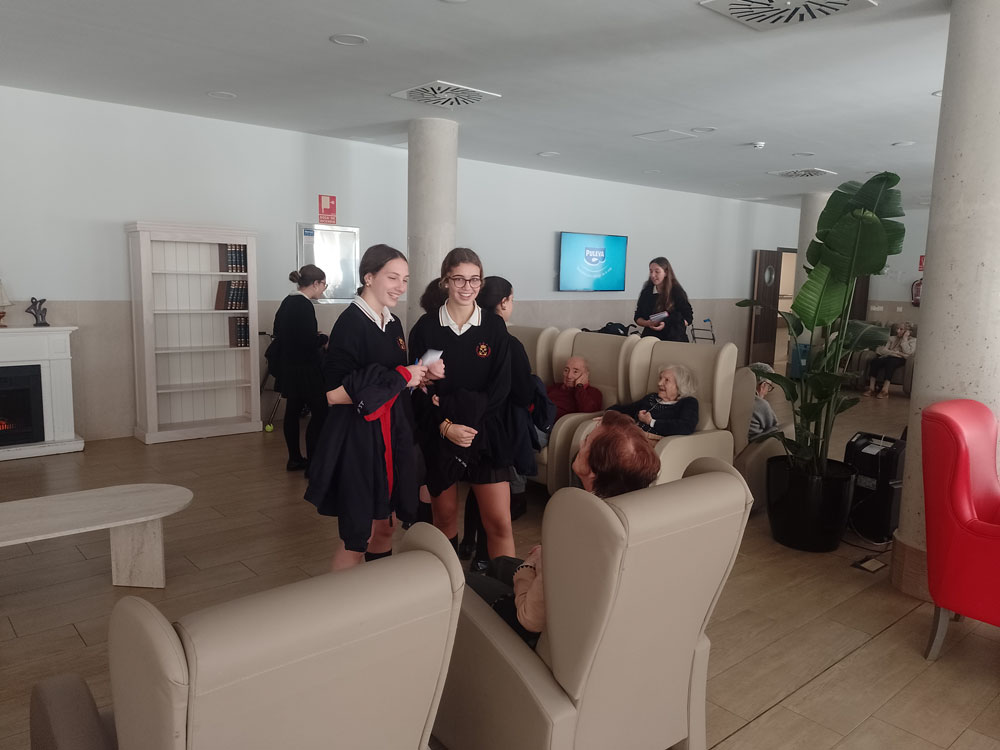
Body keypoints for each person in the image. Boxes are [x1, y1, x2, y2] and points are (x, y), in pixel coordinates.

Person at [465, 410, 660, 644]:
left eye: (586, 441)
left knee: (460, 584)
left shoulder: (574, 530)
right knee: (499, 564)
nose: (580, 444)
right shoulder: (639, 517)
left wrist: (532, 563)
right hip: (587, 612)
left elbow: (530, 618)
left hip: (543, 634)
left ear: (593, 471)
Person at [304, 244, 442, 571]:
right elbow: (334, 394)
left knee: (386, 527)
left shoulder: (392, 323)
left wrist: (418, 377)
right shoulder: (351, 324)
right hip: (359, 439)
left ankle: (377, 593)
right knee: (359, 535)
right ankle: (343, 601)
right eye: (392, 277)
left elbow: (389, 384)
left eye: (405, 279)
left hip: (391, 434)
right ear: (369, 277)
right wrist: (401, 377)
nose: (401, 286)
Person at [408, 248, 516, 561]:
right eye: (459, 279)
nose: (467, 287)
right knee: (444, 520)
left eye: (474, 280)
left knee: (499, 523)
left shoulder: (493, 327)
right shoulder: (426, 328)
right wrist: (446, 427)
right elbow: (418, 390)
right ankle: (452, 584)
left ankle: (502, 586)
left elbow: (501, 388)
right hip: (441, 435)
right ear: (445, 281)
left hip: (485, 432)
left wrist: (466, 424)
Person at [459, 275, 536, 567]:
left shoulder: (467, 336)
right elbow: (523, 393)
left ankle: (468, 543)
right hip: (499, 429)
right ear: (503, 303)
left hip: (468, 425)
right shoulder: (508, 343)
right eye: (511, 299)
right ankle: (485, 560)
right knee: (495, 498)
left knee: (478, 486)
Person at [271, 264, 329, 472]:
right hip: (306, 370)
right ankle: (314, 464)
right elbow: (307, 342)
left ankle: (295, 458)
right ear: (316, 283)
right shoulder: (304, 305)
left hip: (289, 367)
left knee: (292, 413)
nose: (324, 289)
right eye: (324, 285)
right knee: (321, 414)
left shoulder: (287, 302)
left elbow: (279, 332)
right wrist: (323, 338)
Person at [606, 363, 699, 438]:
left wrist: (651, 422)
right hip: (632, 435)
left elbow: (686, 426)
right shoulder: (652, 398)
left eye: (666, 380)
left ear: (680, 385)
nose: (659, 383)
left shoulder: (688, 402)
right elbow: (628, 409)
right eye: (660, 378)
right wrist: (609, 413)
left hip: (653, 442)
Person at [633, 256, 693, 342]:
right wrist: (648, 323)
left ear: (666, 273)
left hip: (673, 339)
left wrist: (667, 324)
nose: (652, 275)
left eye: (657, 271)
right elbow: (638, 317)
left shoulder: (677, 292)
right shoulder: (646, 292)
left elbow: (688, 318)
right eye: (651, 271)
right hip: (651, 339)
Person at [863, 323, 916, 398]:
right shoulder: (892, 338)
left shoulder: (913, 340)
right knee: (875, 361)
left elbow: (908, 353)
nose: (897, 331)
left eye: (901, 329)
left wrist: (904, 339)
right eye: (897, 328)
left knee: (891, 363)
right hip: (890, 356)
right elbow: (883, 350)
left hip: (901, 359)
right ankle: (871, 389)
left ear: (908, 332)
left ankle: (885, 391)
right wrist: (895, 353)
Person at [547, 356, 603, 421]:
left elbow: (589, 414)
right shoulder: (555, 387)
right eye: (566, 370)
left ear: (585, 375)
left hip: (556, 423)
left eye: (575, 372)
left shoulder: (593, 392)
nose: (569, 376)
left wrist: (579, 386)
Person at [748, 362, 780, 439]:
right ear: (763, 386)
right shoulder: (760, 404)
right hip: (757, 443)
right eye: (769, 387)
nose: (767, 392)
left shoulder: (733, 398)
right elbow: (775, 427)